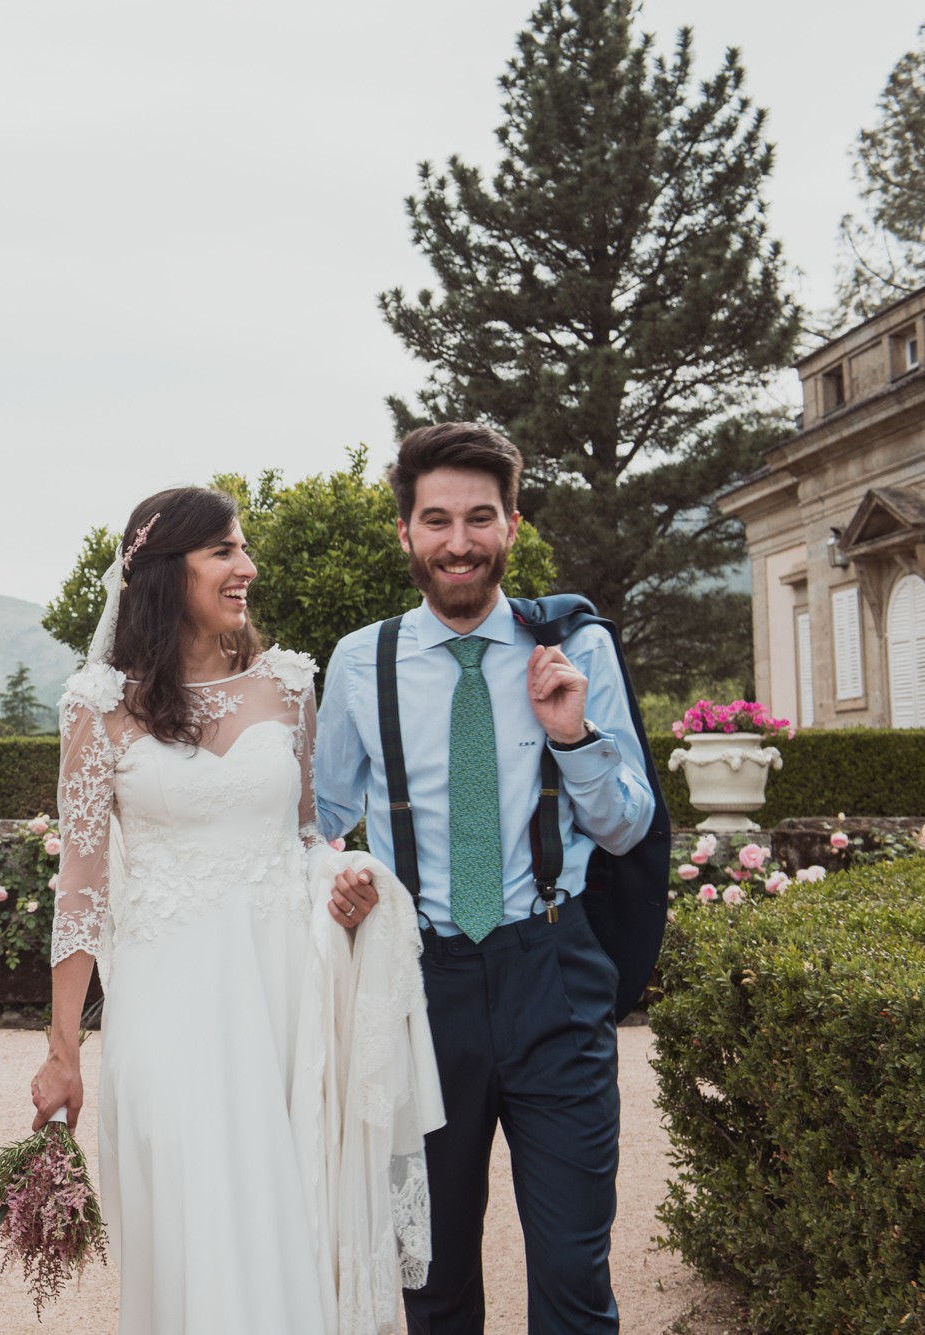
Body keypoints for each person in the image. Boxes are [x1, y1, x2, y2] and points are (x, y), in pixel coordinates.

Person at [30, 484, 443, 1334]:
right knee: (194, 1218)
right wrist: (63, 1053)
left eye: (242, 547)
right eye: (223, 550)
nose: (246, 566)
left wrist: (346, 885)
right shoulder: (96, 707)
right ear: (163, 571)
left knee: (286, 1218)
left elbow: (306, 839)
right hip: (166, 1006)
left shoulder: (289, 686)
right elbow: (81, 887)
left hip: (282, 997)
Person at [314, 423, 657, 1334]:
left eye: (479, 517)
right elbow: (315, 819)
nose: (458, 541)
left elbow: (627, 825)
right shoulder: (361, 661)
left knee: (575, 1275)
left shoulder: (577, 649)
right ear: (406, 532)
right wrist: (338, 876)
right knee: (431, 1280)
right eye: (437, 520)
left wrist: (573, 737)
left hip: (555, 975)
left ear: (512, 524)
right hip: (416, 991)